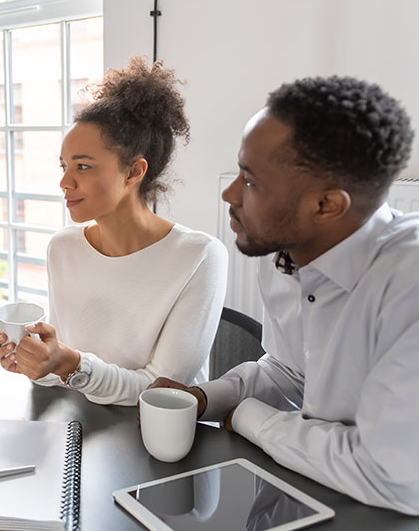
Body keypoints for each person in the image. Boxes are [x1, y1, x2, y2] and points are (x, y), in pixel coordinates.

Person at [149, 75, 419, 514]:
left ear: (326, 205)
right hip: (301, 494)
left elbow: (392, 476)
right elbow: (291, 371)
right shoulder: (284, 255)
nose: (229, 193)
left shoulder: (408, 284)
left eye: (251, 181)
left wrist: (252, 419)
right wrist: (205, 399)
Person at [0, 57, 227, 405]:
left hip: (157, 440)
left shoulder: (199, 257)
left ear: (133, 172)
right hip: (82, 428)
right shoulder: (63, 248)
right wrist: (35, 361)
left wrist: (70, 363)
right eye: (64, 165)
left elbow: (162, 393)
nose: (64, 182)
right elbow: (62, 378)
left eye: (82, 166)